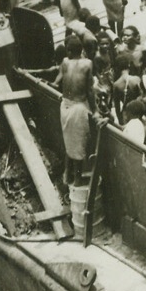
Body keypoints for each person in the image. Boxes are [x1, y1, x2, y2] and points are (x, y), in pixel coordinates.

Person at [58, 35, 94, 187]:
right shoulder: (87, 64)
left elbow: (59, 79)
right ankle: (78, 181)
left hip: (65, 106)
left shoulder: (65, 62)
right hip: (78, 108)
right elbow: (90, 90)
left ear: (70, 51)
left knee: (70, 143)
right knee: (78, 145)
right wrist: (95, 110)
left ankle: (67, 175)